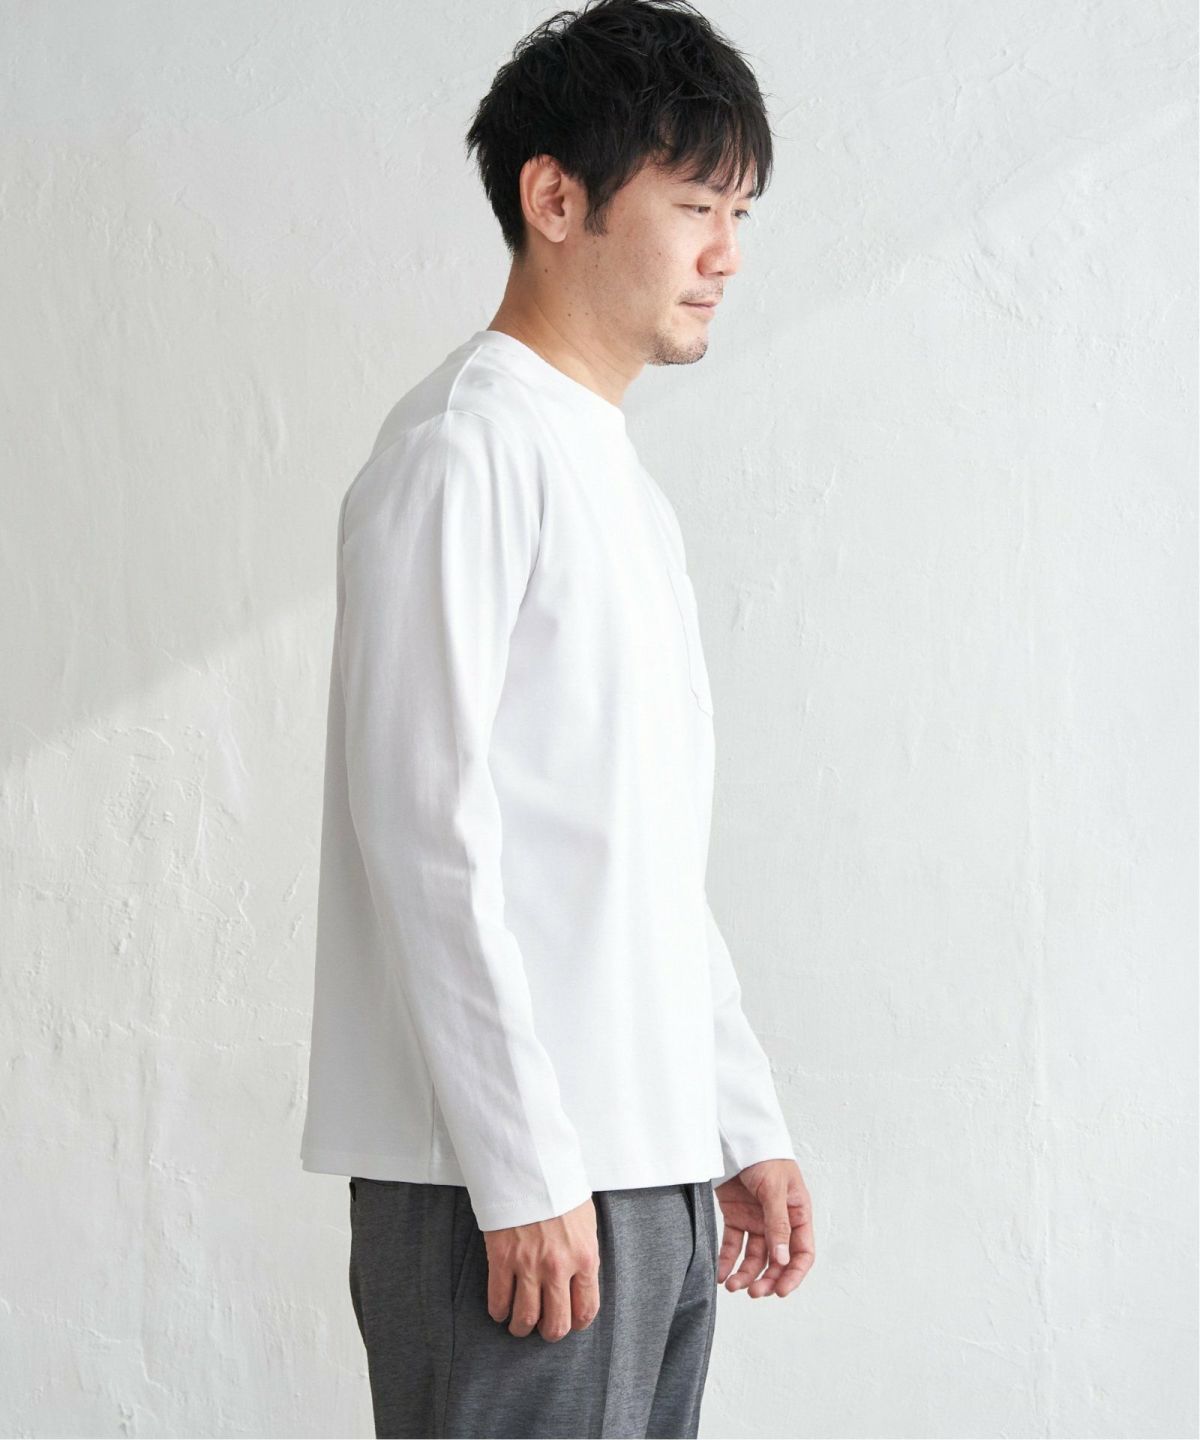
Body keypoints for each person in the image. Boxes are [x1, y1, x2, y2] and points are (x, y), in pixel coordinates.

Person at [299, 0, 816, 1434]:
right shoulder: (464, 448)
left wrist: (736, 1116)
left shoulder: (621, 485)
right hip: (512, 1182)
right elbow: (423, 828)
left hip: (649, 1171)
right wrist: (522, 1166)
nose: (727, 253)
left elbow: (644, 855)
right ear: (556, 198)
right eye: (697, 205)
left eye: (741, 213)